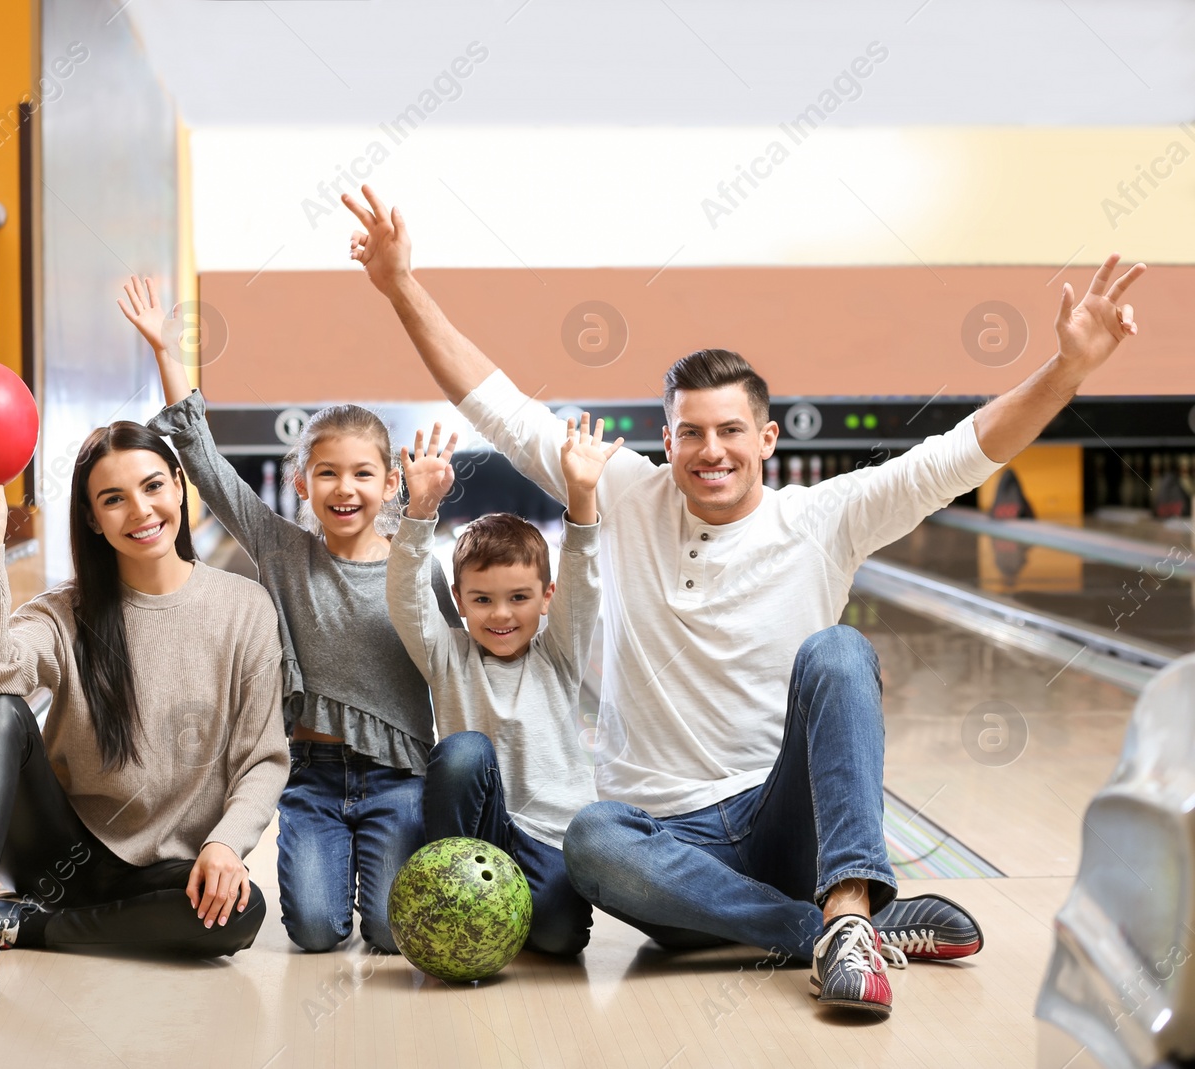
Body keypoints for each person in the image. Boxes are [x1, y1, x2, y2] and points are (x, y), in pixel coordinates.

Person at [341, 184, 1145, 1015]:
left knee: (838, 651)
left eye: (730, 431)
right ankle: (839, 926)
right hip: (671, 852)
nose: (710, 449)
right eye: (690, 431)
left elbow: (962, 454)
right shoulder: (624, 492)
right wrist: (402, 286)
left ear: (766, 437)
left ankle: (839, 906)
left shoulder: (825, 514)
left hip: (782, 819)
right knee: (593, 837)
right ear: (665, 439)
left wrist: (1070, 369)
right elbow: (494, 402)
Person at [119, 278, 464, 954]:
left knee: (394, 938)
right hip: (311, 776)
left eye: (363, 474)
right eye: (327, 473)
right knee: (313, 931)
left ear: (390, 482)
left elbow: (455, 668)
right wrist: (167, 351)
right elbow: (205, 461)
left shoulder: (416, 563)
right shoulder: (283, 549)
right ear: (301, 482)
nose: (345, 488)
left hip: (399, 776)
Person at [0, 423, 288, 1015]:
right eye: (113, 499)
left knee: (239, 915)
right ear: (92, 518)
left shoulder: (246, 608)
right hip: (56, 853)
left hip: (163, 869)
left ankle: (16, 926)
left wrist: (226, 844)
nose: (141, 510)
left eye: (153, 486)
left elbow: (262, 758)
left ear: (181, 488)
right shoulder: (64, 613)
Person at [388, 415, 620, 957]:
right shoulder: (447, 654)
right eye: (483, 600)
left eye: (519, 597)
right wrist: (418, 513)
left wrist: (582, 499)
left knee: (558, 940)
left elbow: (583, 584)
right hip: (477, 834)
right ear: (460, 600)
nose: (501, 615)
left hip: (548, 836)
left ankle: (512, 916)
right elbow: (403, 598)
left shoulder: (559, 652)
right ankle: (447, 893)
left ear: (546, 596)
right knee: (464, 750)